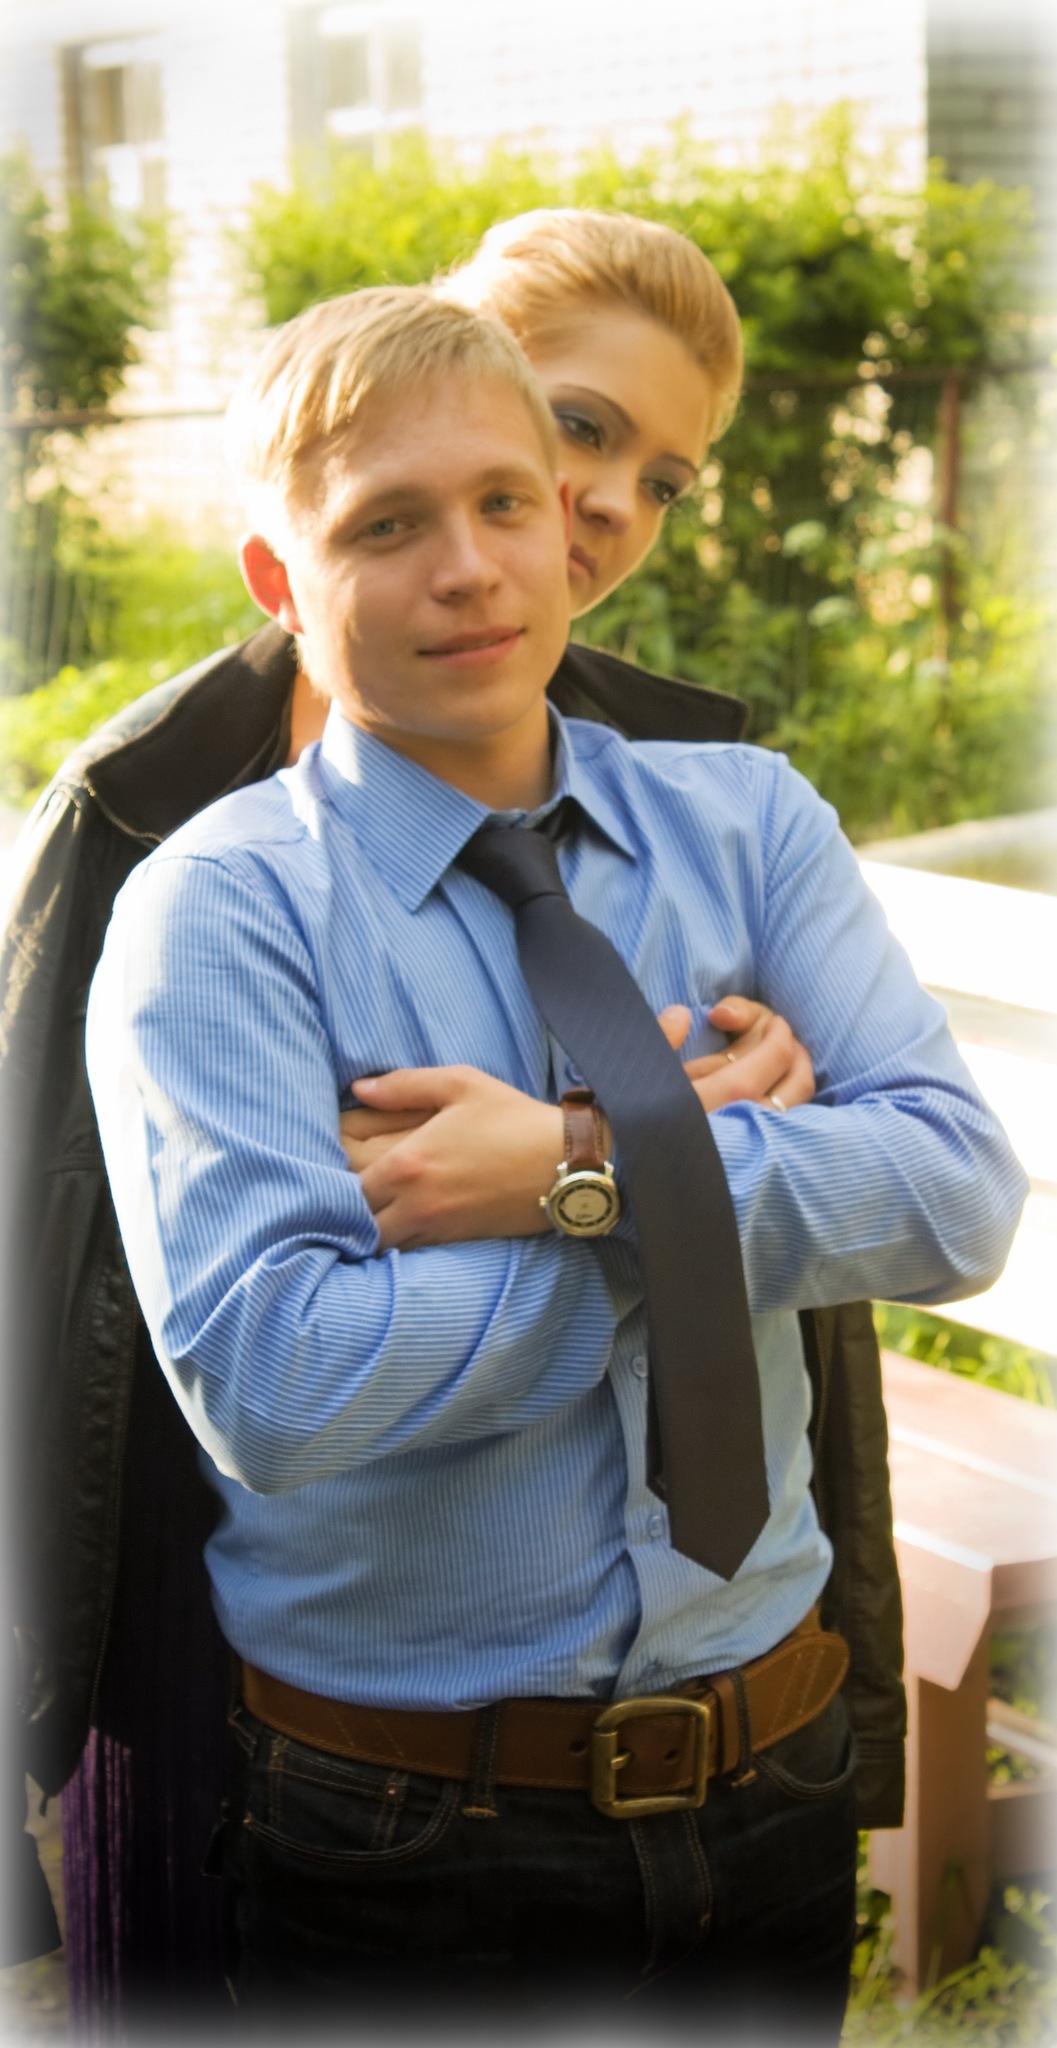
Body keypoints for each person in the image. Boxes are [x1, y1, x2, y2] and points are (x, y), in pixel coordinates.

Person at [84, 285, 1025, 2038]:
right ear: (280, 583)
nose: (469, 568)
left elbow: (957, 1195)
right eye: (386, 525)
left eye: (504, 501)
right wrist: (702, 1170)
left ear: (560, 525)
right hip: (407, 1827)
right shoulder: (216, 912)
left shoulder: (747, 822)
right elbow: (280, 1382)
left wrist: (574, 1161)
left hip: (767, 1760)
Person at [1, 211, 824, 2026]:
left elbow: (819, 1282)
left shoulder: (709, 790)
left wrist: (636, 1155)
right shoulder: (148, 819)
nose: (606, 505)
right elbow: (34, 1273)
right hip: (224, 1624)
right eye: (579, 426)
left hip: (665, 1664)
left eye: (660, 477)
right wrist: (665, 1177)